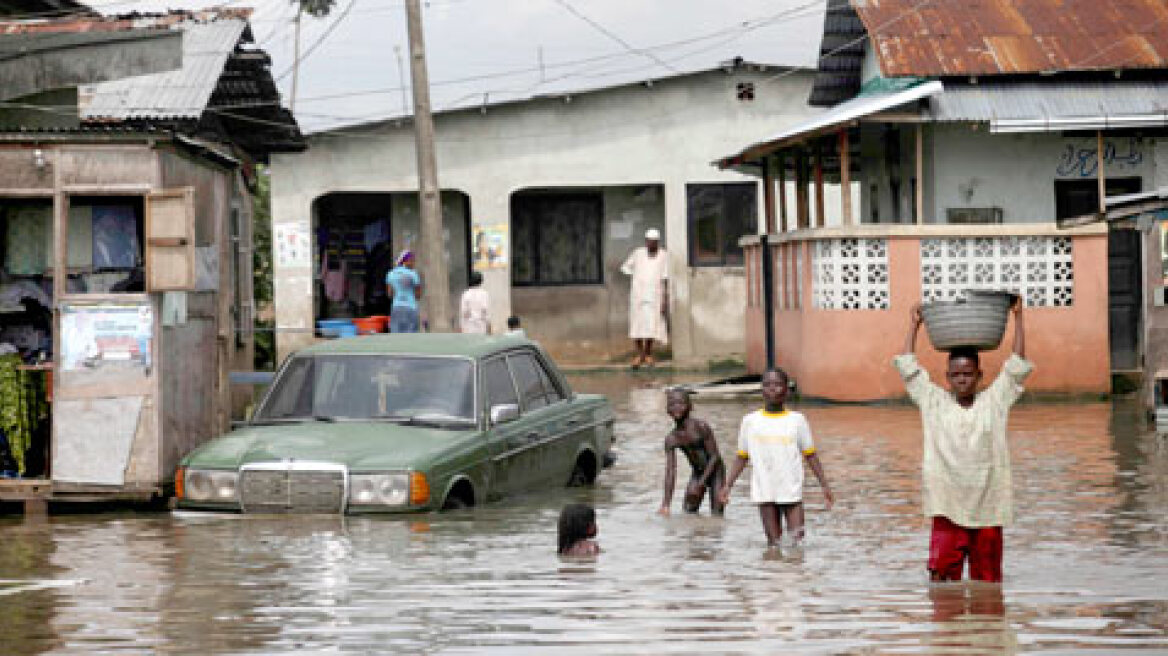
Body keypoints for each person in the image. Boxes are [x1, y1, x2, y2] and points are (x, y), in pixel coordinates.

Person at [895, 299, 1031, 583]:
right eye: (956, 375)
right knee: (942, 581)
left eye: (968, 374)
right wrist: (913, 326)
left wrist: (1018, 319)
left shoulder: (994, 401)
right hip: (947, 506)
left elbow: (1016, 366)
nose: (962, 380)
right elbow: (908, 367)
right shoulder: (933, 401)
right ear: (947, 377)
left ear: (980, 376)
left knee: (988, 584)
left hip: (988, 508)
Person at [718, 369, 835, 547]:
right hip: (765, 489)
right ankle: (773, 573)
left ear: (787, 390)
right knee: (774, 544)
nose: (772, 389)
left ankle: (794, 573)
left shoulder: (797, 420)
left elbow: (810, 455)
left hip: (791, 489)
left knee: (797, 541)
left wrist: (824, 485)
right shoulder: (750, 421)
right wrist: (728, 485)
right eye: (767, 385)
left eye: (778, 384)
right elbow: (742, 457)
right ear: (762, 390)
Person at [658, 388, 725, 516]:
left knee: (717, 515)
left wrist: (701, 484)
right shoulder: (671, 439)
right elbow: (670, 471)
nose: (676, 407)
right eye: (672, 404)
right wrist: (666, 504)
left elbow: (715, 457)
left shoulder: (701, 427)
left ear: (690, 406)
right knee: (688, 512)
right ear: (667, 409)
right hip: (698, 473)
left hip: (716, 472)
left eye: (681, 403)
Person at [620, 228, 668, 369]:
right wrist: (638, 277)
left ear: (657, 242)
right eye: (648, 242)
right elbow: (625, 268)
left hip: (655, 294)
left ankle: (648, 354)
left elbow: (665, 277)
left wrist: (665, 298)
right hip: (638, 294)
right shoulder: (638, 253)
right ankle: (639, 355)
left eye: (654, 242)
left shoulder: (664, 255)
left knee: (652, 325)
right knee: (637, 324)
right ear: (645, 242)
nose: (651, 244)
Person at [386, 249, 422, 333]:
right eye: (411, 261)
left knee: (396, 335)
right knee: (411, 336)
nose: (413, 263)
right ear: (405, 261)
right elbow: (418, 295)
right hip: (411, 308)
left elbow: (389, 294)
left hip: (396, 308)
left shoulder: (391, 274)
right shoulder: (414, 274)